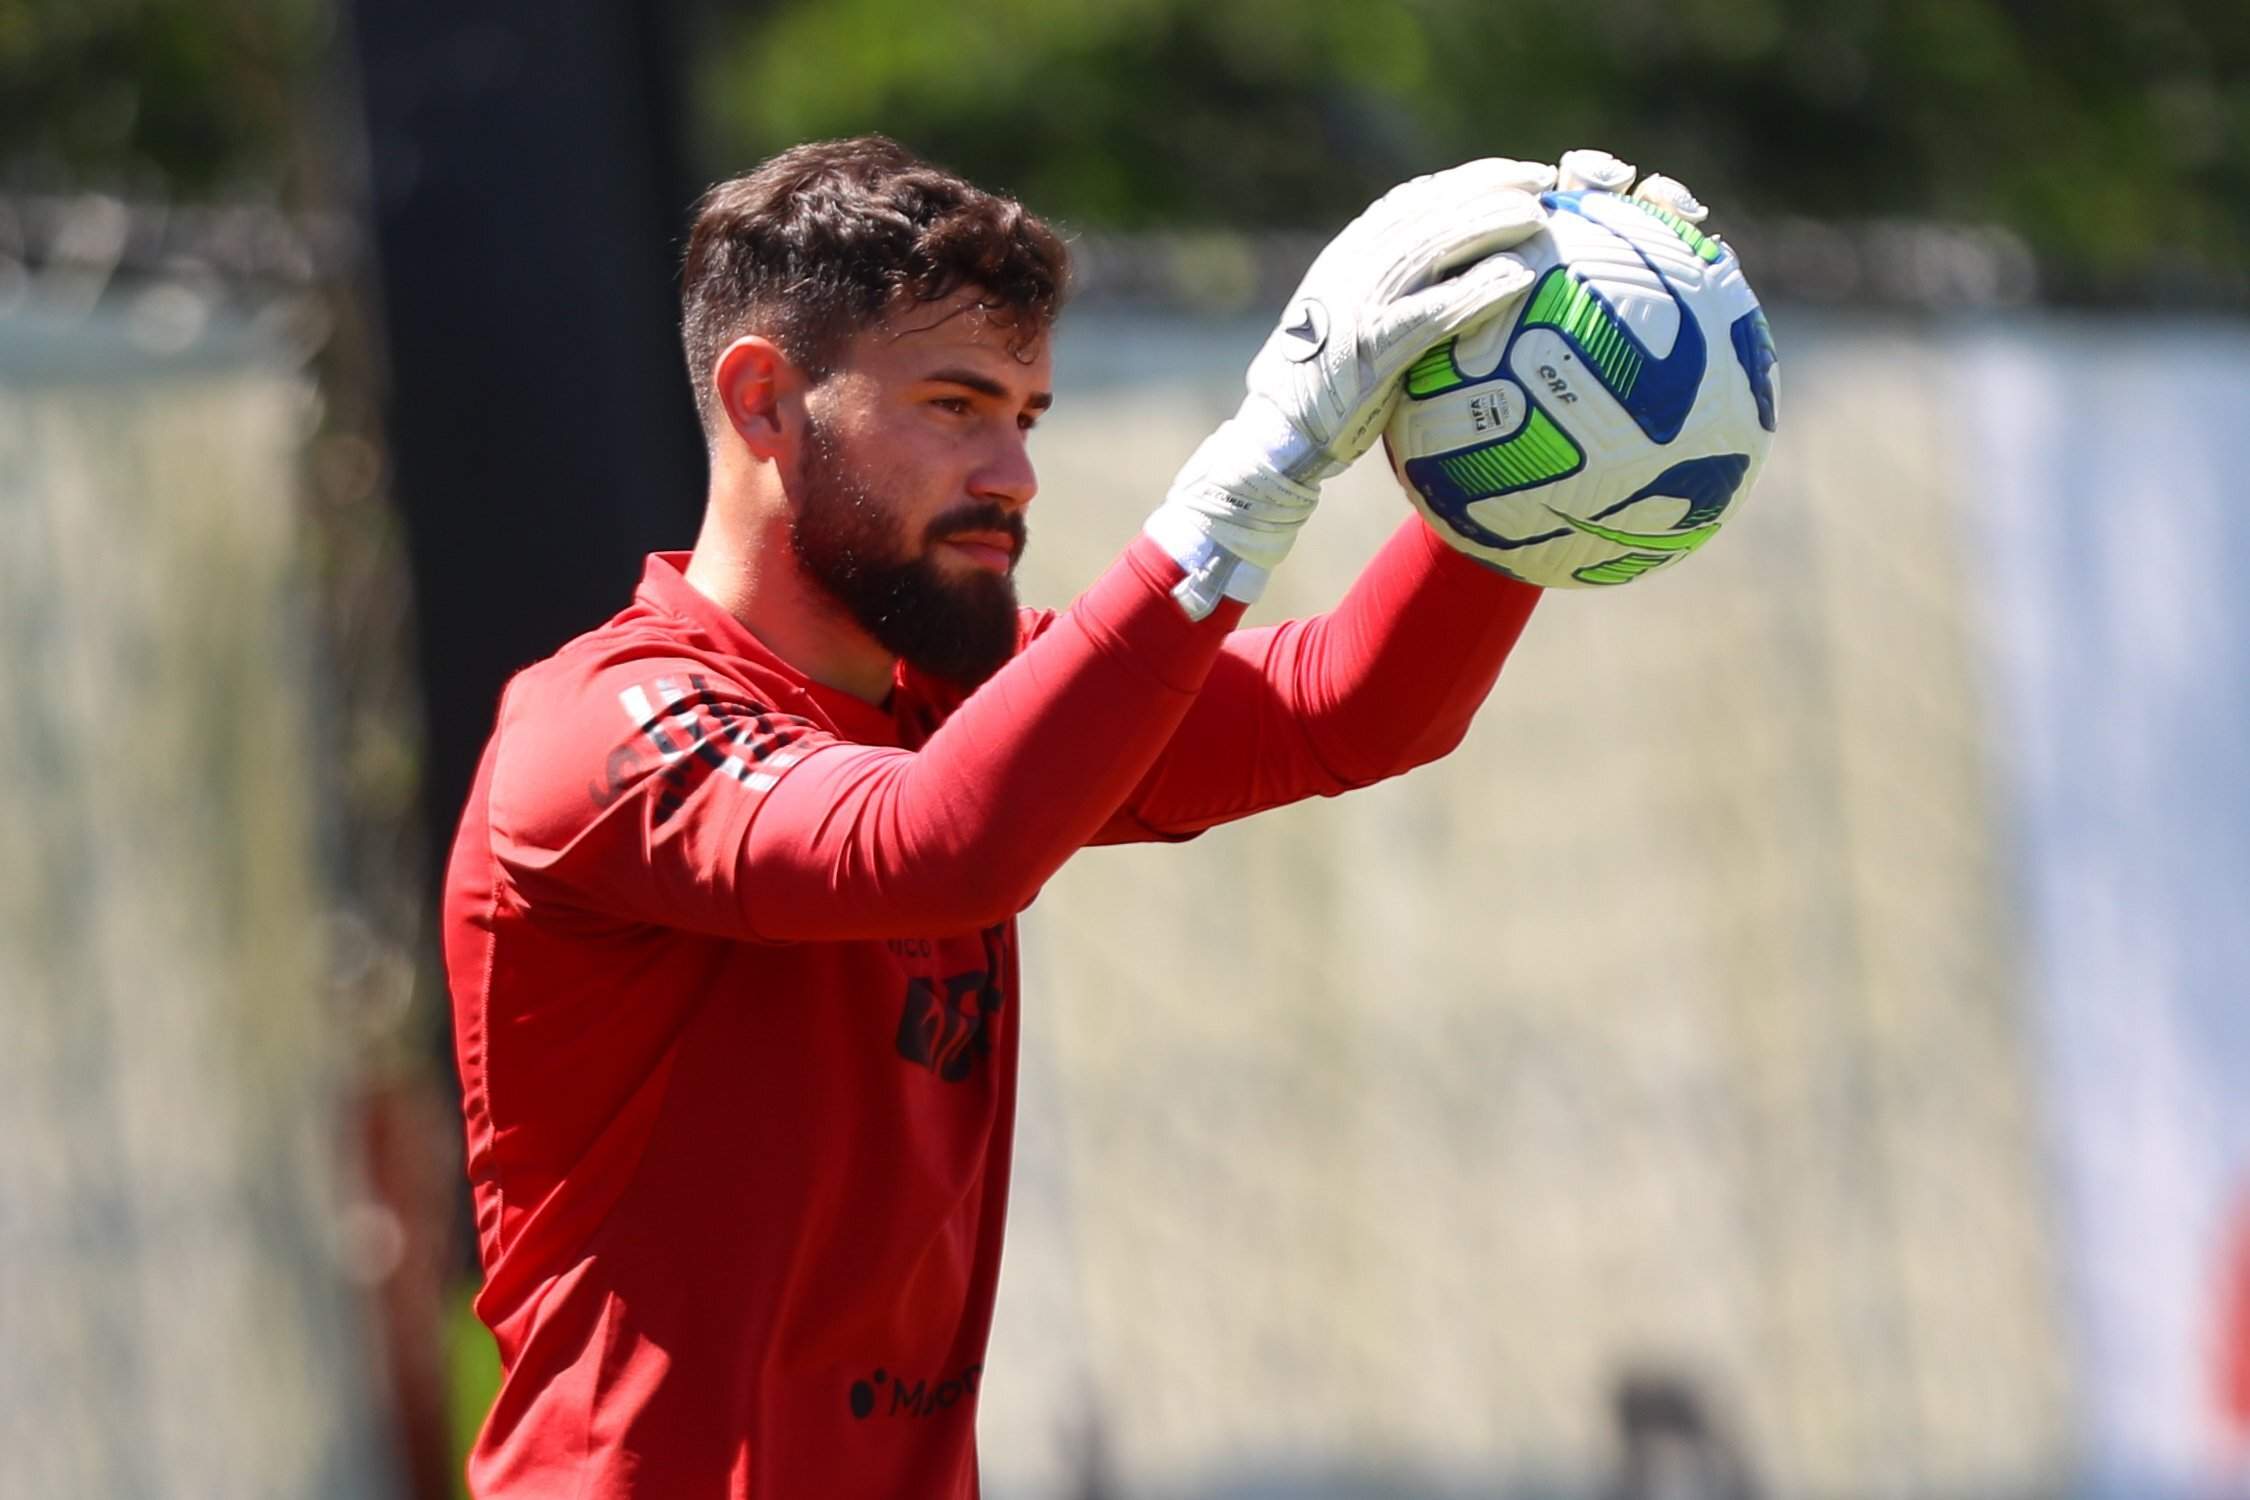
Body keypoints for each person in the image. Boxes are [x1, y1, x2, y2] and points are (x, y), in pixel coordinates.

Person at [442, 133, 1711, 1497]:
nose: (1014, 474)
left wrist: (1522, 455)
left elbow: (1350, 706)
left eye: (1026, 415)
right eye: (954, 403)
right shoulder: (600, 727)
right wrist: (1259, 466)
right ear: (764, 403)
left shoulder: (949, 699)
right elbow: (936, 843)